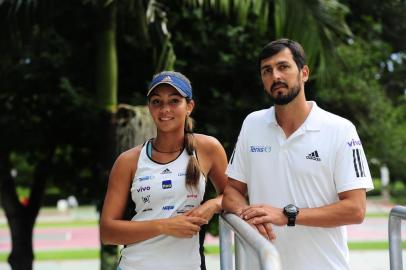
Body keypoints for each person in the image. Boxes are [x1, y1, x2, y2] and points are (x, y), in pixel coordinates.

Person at [222, 39, 374, 270]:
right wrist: (249, 215)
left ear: (304, 73)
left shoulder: (340, 129)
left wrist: (288, 215)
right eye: (267, 71)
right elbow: (232, 190)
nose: (275, 76)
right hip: (265, 264)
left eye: (283, 67)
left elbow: (356, 209)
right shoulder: (252, 124)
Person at [100, 71, 228, 270]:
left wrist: (212, 205)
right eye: (157, 102)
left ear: (189, 107)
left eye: (174, 101)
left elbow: (234, 195)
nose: (165, 109)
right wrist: (164, 226)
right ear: (149, 108)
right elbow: (107, 233)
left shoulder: (208, 149)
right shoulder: (128, 161)